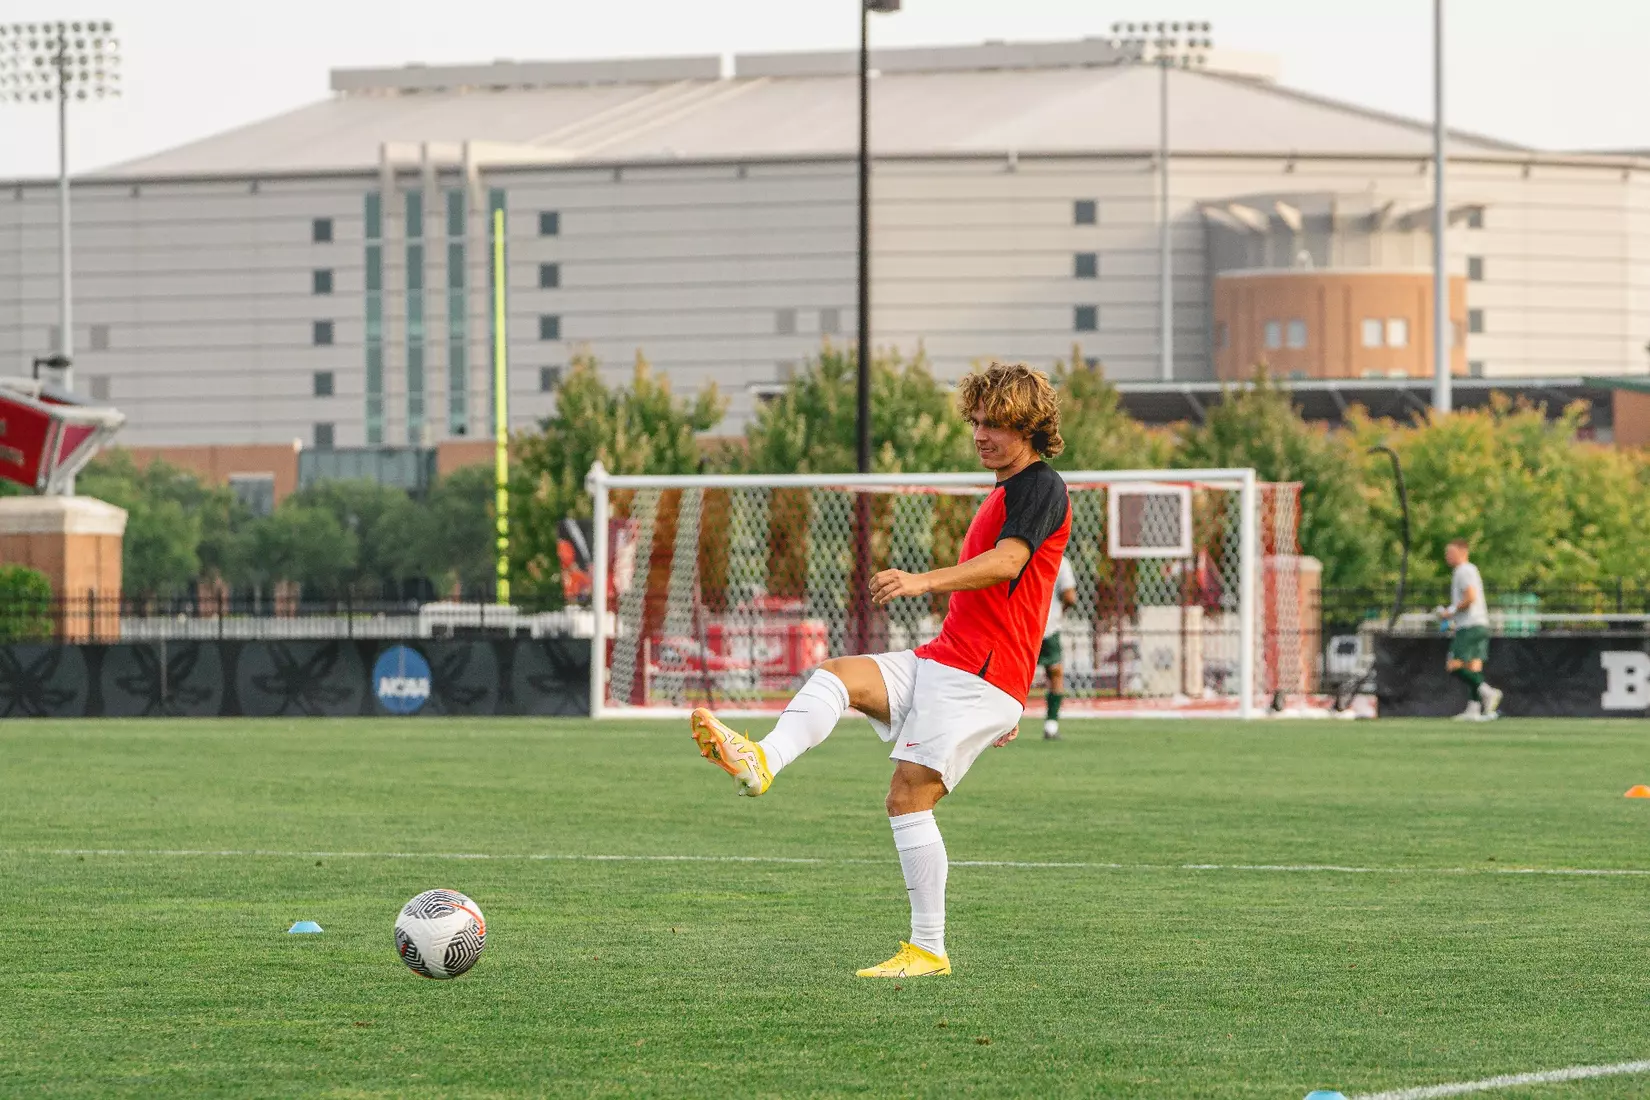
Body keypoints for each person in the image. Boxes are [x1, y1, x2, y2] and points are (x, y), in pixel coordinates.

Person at [688, 361, 1070, 979]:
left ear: (1028, 426)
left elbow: (1009, 564)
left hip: (979, 675)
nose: (980, 433)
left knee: (907, 798)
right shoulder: (1004, 488)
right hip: (950, 661)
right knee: (839, 675)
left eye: (994, 423)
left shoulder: (1040, 486)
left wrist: (926, 585)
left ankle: (928, 949)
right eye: (975, 420)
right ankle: (762, 762)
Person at [1434, 538, 1503, 720]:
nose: (1447, 557)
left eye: (1450, 553)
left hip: (1470, 625)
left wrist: (1450, 611)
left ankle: (1487, 692)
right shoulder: (1470, 570)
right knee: (1473, 667)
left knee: (1454, 665)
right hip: (1480, 624)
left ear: (1462, 552)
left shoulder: (1463, 570)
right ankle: (1474, 709)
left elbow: (1470, 597)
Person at [1038, 555, 1078, 739]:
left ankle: (1001, 727)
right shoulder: (1060, 561)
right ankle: (1051, 725)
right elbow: (1070, 596)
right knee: (1055, 672)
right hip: (1048, 626)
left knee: (1011, 674)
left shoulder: (1021, 555)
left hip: (1019, 626)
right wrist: (1059, 613)